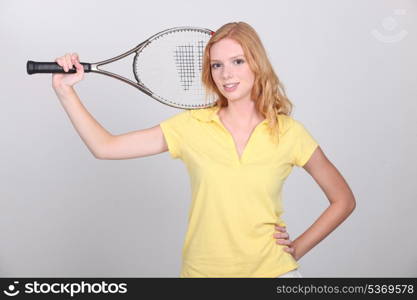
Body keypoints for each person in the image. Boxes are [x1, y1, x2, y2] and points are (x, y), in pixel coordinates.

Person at [52, 22, 356, 278]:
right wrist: (65, 91)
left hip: (274, 274)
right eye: (217, 65)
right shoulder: (191, 126)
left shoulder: (289, 132)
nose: (226, 74)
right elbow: (105, 147)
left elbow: (343, 200)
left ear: (257, 64)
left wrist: (296, 248)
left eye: (238, 61)